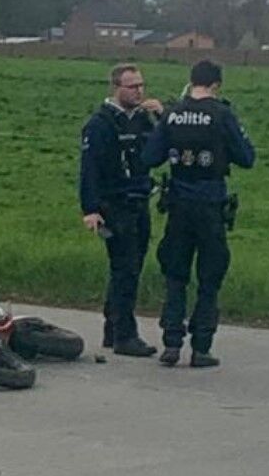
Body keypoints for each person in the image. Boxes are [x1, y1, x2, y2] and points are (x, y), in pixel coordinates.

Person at [142, 59, 255, 368]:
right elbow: (247, 158)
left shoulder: (173, 114)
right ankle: (201, 347)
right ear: (216, 85)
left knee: (175, 274)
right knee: (210, 275)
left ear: (191, 81)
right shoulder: (222, 115)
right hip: (210, 204)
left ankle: (171, 343)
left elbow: (150, 157)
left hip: (178, 204)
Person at [79, 63, 164, 357]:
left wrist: (162, 117)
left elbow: (158, 151)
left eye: (141, 85)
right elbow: (89, 169)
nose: (139, 91)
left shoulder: (142, 120)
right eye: (132, 86)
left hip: (140, 199)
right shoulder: (100, 124)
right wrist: (90, 209)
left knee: (132, 266)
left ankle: (112, 328)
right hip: (114, 203)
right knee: (124, 268)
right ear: (117, 88)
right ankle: (125, 335)